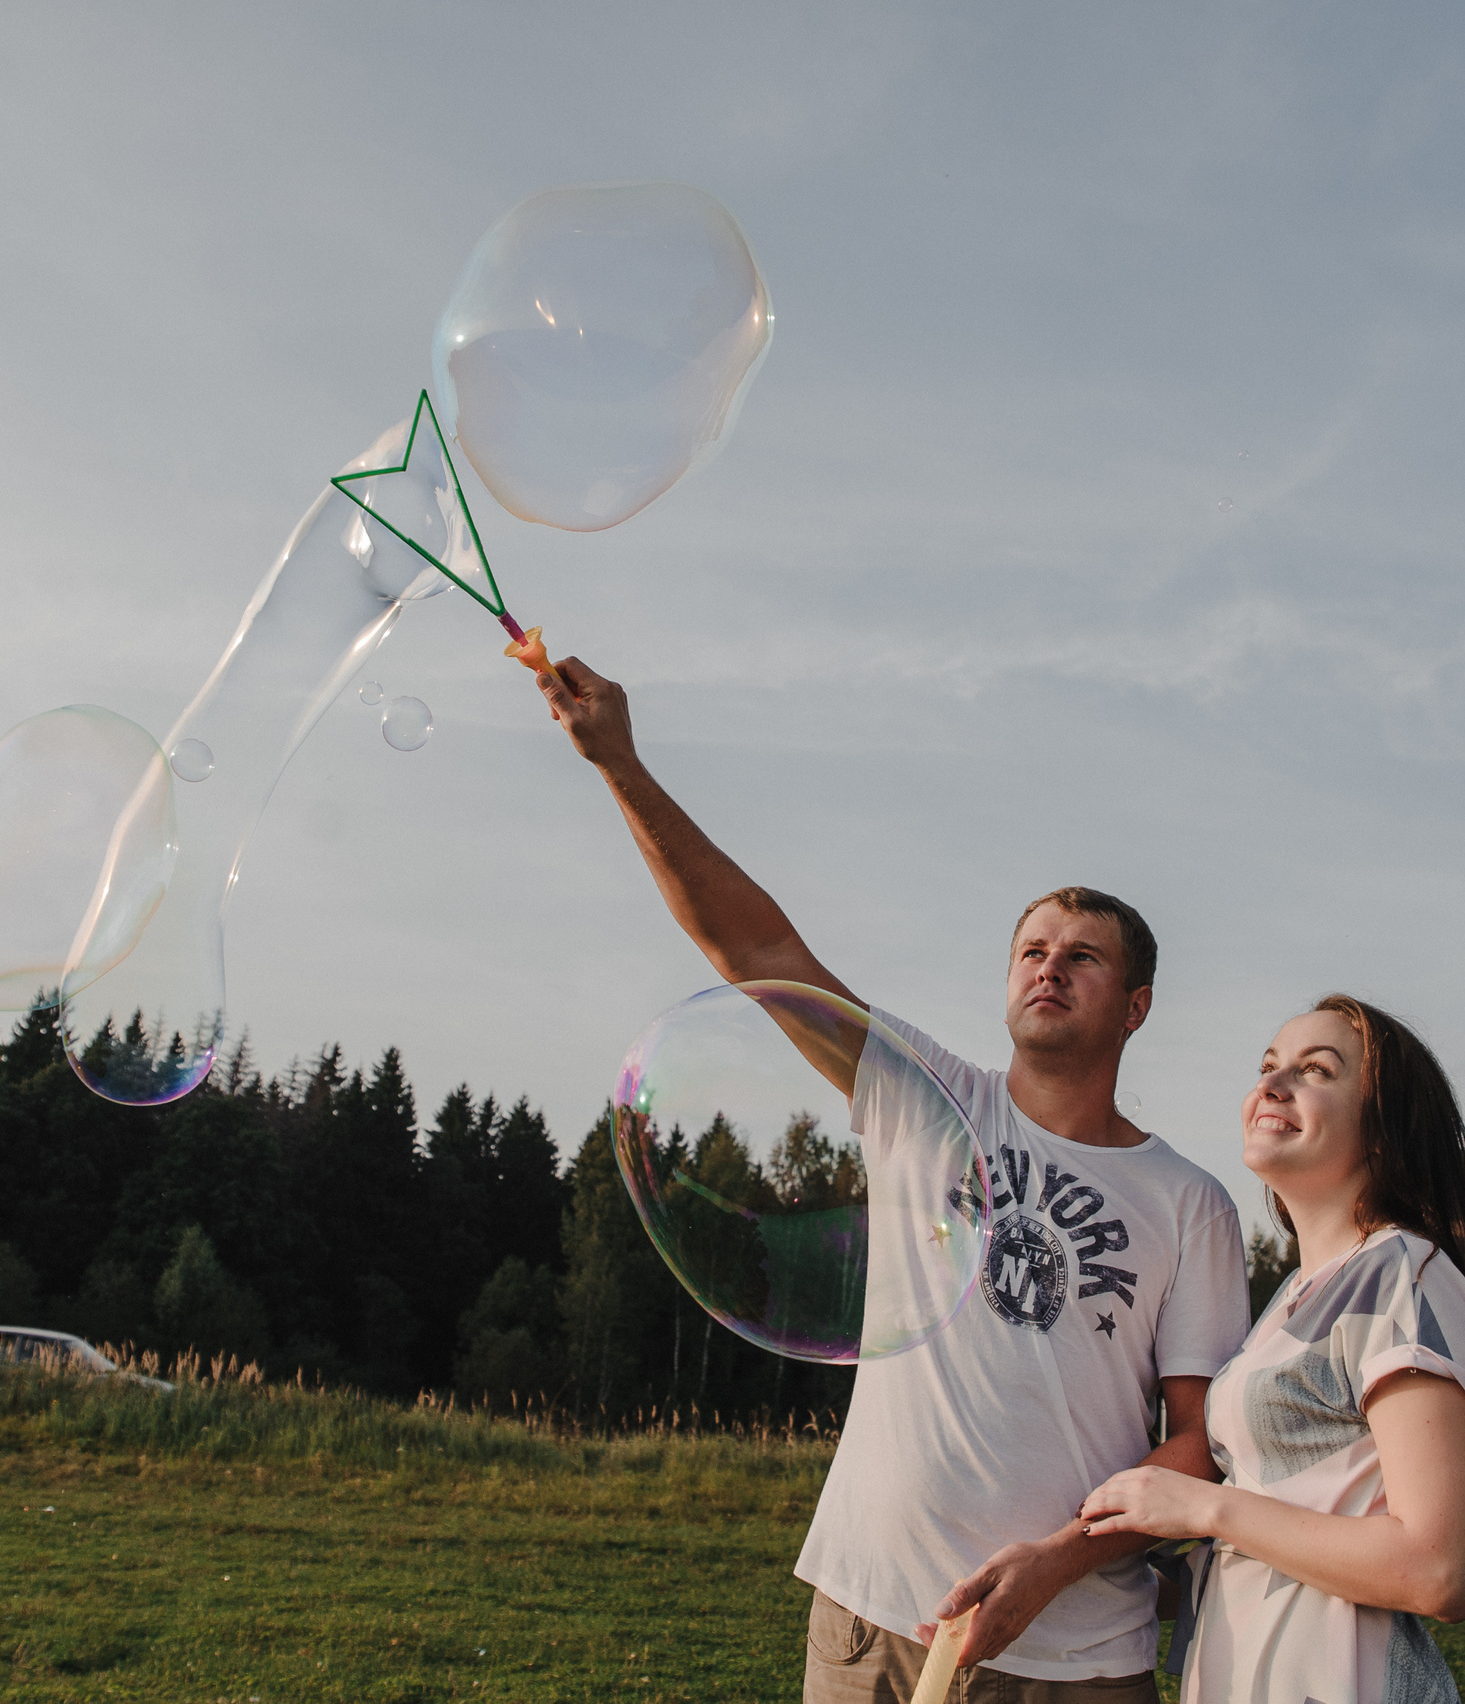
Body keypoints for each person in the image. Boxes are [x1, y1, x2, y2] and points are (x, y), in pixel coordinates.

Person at [536, 654, 1251, 1701]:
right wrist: (621, 765)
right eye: (1032, 949)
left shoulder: (1188, 1202)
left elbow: (1198, 1448)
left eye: (1083, 956)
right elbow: (756, 945)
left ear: (1135, 1006)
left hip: (1078, 1650)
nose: (1048, 966)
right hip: (875, 1617)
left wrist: (1057, 1561)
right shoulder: (929, 1097)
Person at [1076, 996, 1465, 1704]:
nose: (1273, 1085)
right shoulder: (1297, 1296)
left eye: (1316, 1070)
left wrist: (1202, 1509)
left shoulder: (1404, 1276)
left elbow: (1439, 1570)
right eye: (1268, 1066)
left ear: (1385, 1130)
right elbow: (1292, 1521)